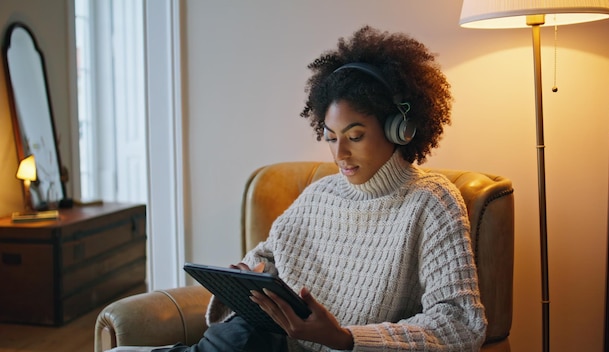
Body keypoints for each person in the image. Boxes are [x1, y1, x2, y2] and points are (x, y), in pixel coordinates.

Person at [111, 25, 486, 352]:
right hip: (261, 343)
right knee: (237, 337)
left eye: (355, 136)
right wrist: (249, 276)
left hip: (339, 349)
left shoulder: (431, 201)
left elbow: (460, 324)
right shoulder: (319, 195)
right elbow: (270, 258)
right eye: (330, 136)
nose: (339, 153)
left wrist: (344, 338)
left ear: (399, 129)